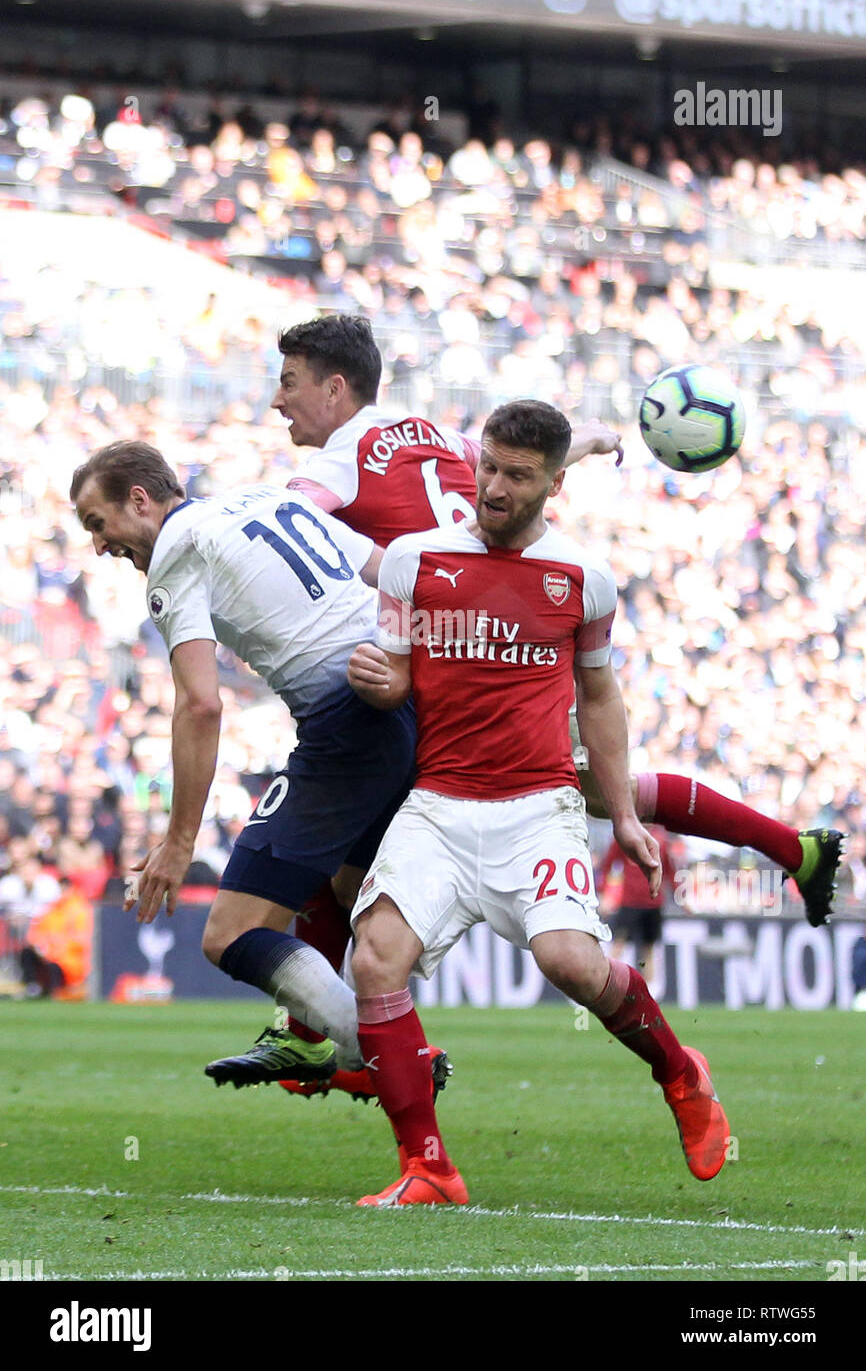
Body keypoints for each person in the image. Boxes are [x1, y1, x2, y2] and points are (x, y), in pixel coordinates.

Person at [209, 314, 843, 1091]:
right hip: (500, 633)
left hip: (452, 655)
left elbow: (284, 522)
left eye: (290, 383)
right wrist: (586, 442)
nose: (280, 402)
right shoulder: (435, 435)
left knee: (370, 821)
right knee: (558, 793)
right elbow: (515, 469)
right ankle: (794, 849)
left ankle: (318, 1034)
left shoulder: (338, 468)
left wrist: (220, 532)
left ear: (335, 388)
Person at [345, 399, 730, 1207]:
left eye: (516, 476)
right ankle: (429, 1167)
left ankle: (680, 1072)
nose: (493, 486)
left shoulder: (581, 579)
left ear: (554, 484)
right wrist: (382, 682)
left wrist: (623, 813)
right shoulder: (414, 561)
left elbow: (600, 696)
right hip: (439, 805)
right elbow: (398, 675)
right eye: (487, 466)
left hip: (537, 805)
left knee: (571, 964)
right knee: (375, 959)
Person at [69, 440, 434, 1092]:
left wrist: (179, 843)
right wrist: (411, 659)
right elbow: (392, 570)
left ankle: (386, 1054)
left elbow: (202, 704)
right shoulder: (263, 496)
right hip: (400, 708)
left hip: (346, 726)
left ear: (140, 499)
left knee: (230, 934)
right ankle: (387, 1108)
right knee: (348, 895)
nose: (99, 545)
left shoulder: (176, 556)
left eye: (99, 523)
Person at [598, 824, 676, 990]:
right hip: (629, 902)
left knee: (648, 948)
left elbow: (670, 870)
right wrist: (605, 894)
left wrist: (681, 895)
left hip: (653, 902)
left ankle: (650, 992)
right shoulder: (625, 835)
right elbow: (608, 865)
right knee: (619, 944)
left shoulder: (660, 839)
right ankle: (608, 987)